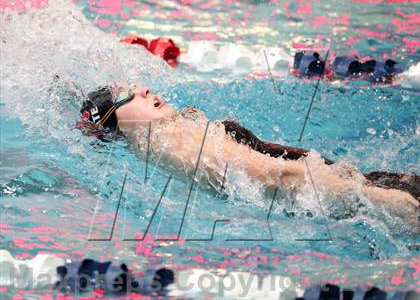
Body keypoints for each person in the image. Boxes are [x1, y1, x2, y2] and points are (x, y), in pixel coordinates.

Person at [79, 85, 419, 224]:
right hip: (354, 195)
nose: (143, 90)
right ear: (115, 121)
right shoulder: (171, 145)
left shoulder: (166, 136)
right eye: (127, 94)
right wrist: (384, 200)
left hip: (347, 187)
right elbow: (277, 175)